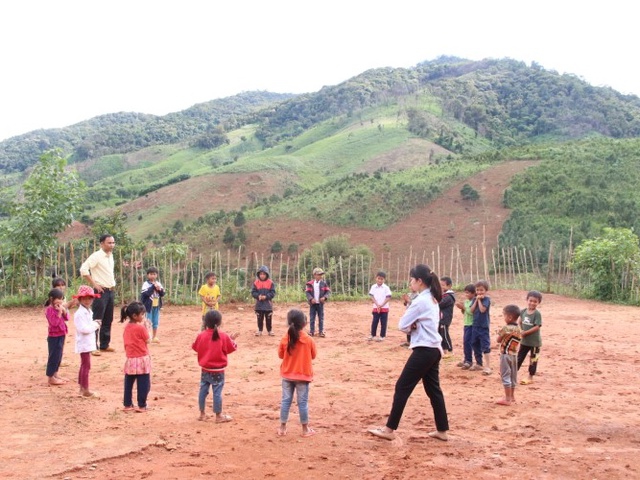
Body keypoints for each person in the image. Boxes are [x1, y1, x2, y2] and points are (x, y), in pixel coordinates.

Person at [368, 264, 449, 442]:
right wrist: (415, 325)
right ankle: (442, 430)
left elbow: (402, 325)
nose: (410, 282)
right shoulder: (432, 298)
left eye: (412, 279)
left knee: (402, 387)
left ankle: (389, 429)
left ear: (419, 281)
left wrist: (412, 326)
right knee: (434, 390)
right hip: (434, 349)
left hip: (424, 349)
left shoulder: (421, 300)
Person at [192, 310, 239, 422]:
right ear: (219, 323)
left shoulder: (202, 335)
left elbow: (195, 347)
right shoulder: (223, 336)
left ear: (205, 322)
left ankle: (202, 414)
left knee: (203, 390)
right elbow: (231, 348)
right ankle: (218, 416)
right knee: (217, 392)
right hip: (218, 370)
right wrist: (232, 339)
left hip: (205, 369)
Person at [278, 309, 317, 437]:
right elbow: (313, 355)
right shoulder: (309, 340)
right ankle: (305, 429)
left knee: (285, 401)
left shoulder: (285, 338)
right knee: (303, 403)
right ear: (304, 324)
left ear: (289, 323)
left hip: (287, 374)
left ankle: (282, 428)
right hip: (303, 376)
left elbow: (280, 355)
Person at [80, 234, 116, 355]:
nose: (112, 245)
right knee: (97, 319)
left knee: (108, 319)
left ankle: (104, 345)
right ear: (101, 244)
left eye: (113, 243)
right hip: (100, 291)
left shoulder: (110, 256)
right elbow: (83, 269)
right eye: (109, 243)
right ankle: (93, 346)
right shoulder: (96, 256)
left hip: (110, 290)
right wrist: (94, 284)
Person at [120, 301, 152, 412]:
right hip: (142, 358)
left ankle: (127, 404)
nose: (143, 316)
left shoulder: (127, 327)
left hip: (130, 359)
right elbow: (148, 340)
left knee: (128, 383)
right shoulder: (141, 328)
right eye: (142, 314)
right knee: (144, 383)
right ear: (135, 315)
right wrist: (147, 327)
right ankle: (142, 405)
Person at [73, 285, 102, 398]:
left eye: (89, 298)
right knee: (86, 365)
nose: (87, 301)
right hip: (84, 342)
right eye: (84, 298)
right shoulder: (80, 313)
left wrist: (94, 323)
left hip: (87, 342)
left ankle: (82, 387)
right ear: (80, 299)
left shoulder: (87, 311)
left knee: (84, 365)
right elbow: (84, 329)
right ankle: (85, 389)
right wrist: (96, 325)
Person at [495, 304, 522, 406]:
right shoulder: (519, 329)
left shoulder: (506, 328)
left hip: (505, 354)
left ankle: (507, 398)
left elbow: (498, 340)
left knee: (505, 375)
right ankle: (512, 396)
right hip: (514, 355)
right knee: (513, 376)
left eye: (504, 315)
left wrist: (499, 333)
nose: (504, 317)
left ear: (509, 317)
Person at [517, 290, 543, 385]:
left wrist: (526, 332)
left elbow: (537, 326)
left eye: (535, 301)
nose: (532, 303)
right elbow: (519, 321)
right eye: (530, 300)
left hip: (534, 342)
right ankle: (512, 374)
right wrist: (521, 330)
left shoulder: (537, 314)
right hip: (524, 341)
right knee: (519, 357)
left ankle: (530, 377)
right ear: (527, 300)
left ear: (538, 302)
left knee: (533, 359)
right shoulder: (523, 311)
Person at [45, 288, 69, 386]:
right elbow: (54, 323)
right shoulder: (49, 310)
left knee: (59, 355)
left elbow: (67, 318)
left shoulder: (60, 307)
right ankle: (50, 377)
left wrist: (63, 311)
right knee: (53, 356)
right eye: (58, 298)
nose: (60, 301)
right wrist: (59, 313)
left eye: (61, 299)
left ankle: (55, 374)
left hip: (61, 334)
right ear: (51, 299)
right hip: (54, 336)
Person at [469, 280, 492, 375]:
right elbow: (471, 310)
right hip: (475, 325)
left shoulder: (486, 299)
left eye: (481, 290)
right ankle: (479, 363)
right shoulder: (474, 299)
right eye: (477, 290)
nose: (479, 292)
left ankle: (488, 366)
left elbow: (482, 310)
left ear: (486, 290)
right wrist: (476, 300)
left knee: (485, 346)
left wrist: (479, 300)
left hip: (483, 326)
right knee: (474, 343)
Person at [141, 266, 165, 343]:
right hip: (148, 306)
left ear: (156, 275)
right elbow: (146, 294)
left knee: (155, 322)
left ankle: (154, 337)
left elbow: (162, 294)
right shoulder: (145, 284)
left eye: (154, 274)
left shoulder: (158, 283)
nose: (153, 276)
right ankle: (147, 337)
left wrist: (159, 289)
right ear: (147, 275)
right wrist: (153, 287)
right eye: (151, 274)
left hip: (156, 305)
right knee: (148, 321)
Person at [305, 267, 331, 337]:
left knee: (321, 318)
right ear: (315, 275)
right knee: (312, 318)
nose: (320, 276)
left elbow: (328, 291)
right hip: (312, 304)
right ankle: (311, 331)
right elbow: (307, 293)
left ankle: (321, 331)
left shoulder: (324, 283)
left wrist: (324, 297)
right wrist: (311, 299)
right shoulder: (309, 284)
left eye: (321, 275)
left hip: (320, 304)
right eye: (319, 274)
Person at [455, 284, 476, 369]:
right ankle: (466, 359)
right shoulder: (467, 301)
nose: (466, 295)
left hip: (472, 324)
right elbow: (465, 313)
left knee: (468, 342)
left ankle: (469, 360)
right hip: (466, 323)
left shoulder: (474, 302)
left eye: (468, 293)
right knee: (465, 342)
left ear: (473, 293)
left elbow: (471, 312)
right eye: (465, 293)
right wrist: (462, 308)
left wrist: (463, 307)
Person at [251, 265, 276, 336]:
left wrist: (266, 297)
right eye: (261, 274)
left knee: (268, 318)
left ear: (267, 274)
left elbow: (273, 293)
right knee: (259, 318)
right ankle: (260, 330)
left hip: (268, 305)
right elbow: (253, 292)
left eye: (264, 274)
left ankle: (270, 330)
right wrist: (258, 296)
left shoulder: (271, 283)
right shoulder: (256, 283)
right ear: (258, 274)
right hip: (259, 305)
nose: (262, 275)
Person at [368, 271, 392, 341]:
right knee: (374, 321)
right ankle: (373, 335)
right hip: (376, 307)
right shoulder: (373, 287)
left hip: (384, 308)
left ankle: (382, 336)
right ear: (376, 278)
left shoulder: (386, 288)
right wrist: (377, 304)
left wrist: (381, 305)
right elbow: (371, 296)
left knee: (383, 322)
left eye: (381, 279)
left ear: (384, 280)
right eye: (378, 278)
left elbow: (388, 297)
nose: (380, 280)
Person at [438, 276, 455, 358]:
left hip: (445, 319)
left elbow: (440, 304)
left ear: (449, 286)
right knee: (441, 333)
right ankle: (444, 350)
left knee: (444, 334)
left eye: (443, 285)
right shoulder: (444, 295)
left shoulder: (449, 296)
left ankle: (450, 349)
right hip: (441, 318)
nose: (441, 287)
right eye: (440, 285)